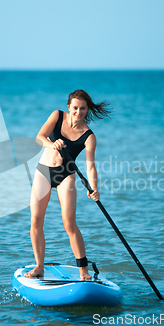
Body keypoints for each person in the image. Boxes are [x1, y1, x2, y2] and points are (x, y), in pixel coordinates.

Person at [25, 89, 111, 280]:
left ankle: (83, 271)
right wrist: (51, 144)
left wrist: (94, 188)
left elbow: (91, 167)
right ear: (68, 107)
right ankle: (39, 267)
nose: (78, 112)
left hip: (66, 176)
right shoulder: (57, 116)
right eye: (75, 108)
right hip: (44, 172)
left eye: (82, 109)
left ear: (87, 109)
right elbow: (40, 137)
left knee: (69, 224)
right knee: (36, 221)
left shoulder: (89, 136)